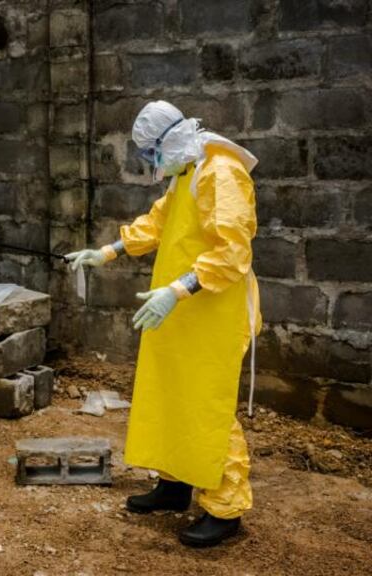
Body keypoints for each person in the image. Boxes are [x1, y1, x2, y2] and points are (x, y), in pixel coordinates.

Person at [66, 100, 260, 548]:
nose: (150, 164)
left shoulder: (221, 173)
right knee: (173, 394)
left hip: (212, 311)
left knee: (207, 407)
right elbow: (158, 223)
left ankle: (225, 507)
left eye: (151, 154)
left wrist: (178, 289)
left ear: (168, 142)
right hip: (182, 308)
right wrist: (109, 251)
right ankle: (176, 485)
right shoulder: (188, 170)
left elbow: (232, 252)